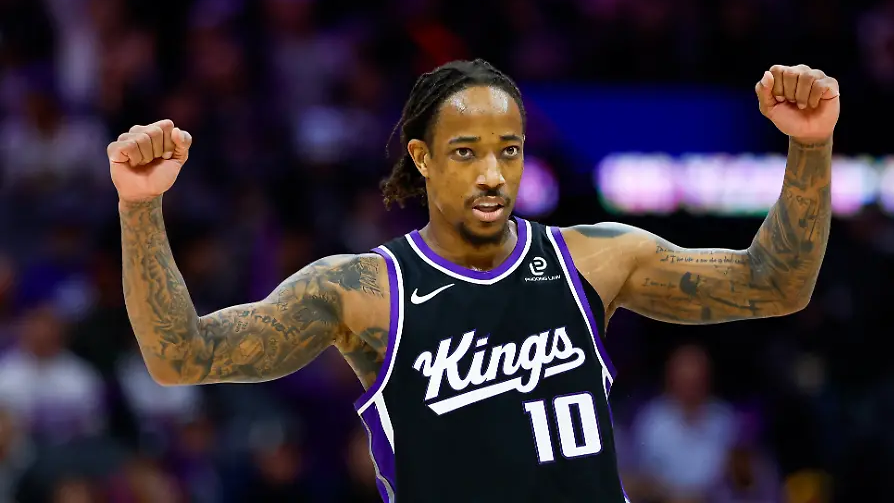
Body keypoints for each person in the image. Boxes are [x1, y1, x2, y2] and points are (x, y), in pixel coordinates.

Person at [107, 59, 838, 503]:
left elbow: (773, 283)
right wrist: (141, 208)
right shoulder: (367, 291)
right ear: (422, 159)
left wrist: (809, 148)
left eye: (509, 151)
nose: (493, 175)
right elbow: (183, 356)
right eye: (466, 152)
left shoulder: (596, 260)